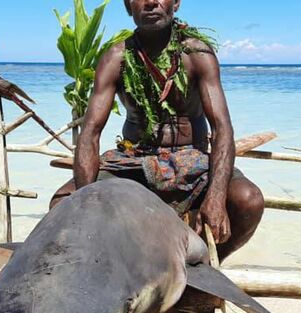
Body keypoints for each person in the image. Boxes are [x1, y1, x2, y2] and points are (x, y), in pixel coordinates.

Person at [50, 0, 264, 259]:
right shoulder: (115, 58)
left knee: (248, 200)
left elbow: (221, 129)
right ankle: (113, 270)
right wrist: (85, 200)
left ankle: (203, 270)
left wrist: (216, 197)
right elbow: (90, 133)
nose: (151, 2)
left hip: (192, 163)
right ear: (129, 7)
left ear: (176, 3)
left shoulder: (197, 54)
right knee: (63, 204)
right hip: (134, 162)